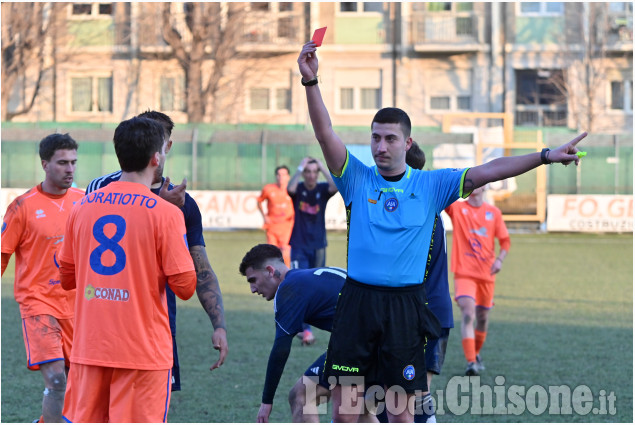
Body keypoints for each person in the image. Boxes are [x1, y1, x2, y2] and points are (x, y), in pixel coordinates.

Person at [297, 39, 587, 422]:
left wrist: (545, 156)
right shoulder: (356, 179)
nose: (381, 147)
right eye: (375, 138)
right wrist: (311, 82)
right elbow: (325, 133)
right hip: (358, 305)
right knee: (345, 413)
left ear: (408, 142)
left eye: (390, 138)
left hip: (405, 308)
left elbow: (491, 169)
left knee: (401, 413)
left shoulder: (432, 185)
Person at [58, 116, 197, 422]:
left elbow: (66, 278)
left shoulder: (81, 206)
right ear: (155, 158)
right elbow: (185, 288)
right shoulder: (166, 214)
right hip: (142, 355)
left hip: (89, 349)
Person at [85, 110, 228, 389]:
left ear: (167, 146)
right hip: (101, 325)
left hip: (155, 326)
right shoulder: (100, 189)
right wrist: (160, 209)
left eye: (159, 141)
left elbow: (201, 270)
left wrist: (219, 325)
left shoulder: (184, 204)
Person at [239, 244, 379, 424]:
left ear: (269, 271)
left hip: (359, 346)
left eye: (253, 280)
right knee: (360, 410)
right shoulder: (309, 276)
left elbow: (281, 349)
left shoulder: (288, 289)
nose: (252, 289)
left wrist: (266, 401)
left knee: (304, 396)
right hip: (386, 338)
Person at [1, 133, 84, 423]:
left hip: (77, 306)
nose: (70, 169)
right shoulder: (22, 206)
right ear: (45, 164)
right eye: (62, 163)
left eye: (73, 162)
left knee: (77, 381)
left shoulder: (85, 201)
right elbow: (2, 255)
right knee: (57, 380)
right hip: (38, 304)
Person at [405, 142, 451, 424]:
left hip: (421, 312)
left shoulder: (416, 210)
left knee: (416, 393)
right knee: (410, 393)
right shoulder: (428, 206)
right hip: (434, 310)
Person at [446, 184, 510, 376]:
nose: (475, 184)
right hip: (464, 273)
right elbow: (442, 196)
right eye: (472, 180)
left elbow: (505, 241)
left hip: (487, 274)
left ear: (486, 187)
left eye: (479, 181)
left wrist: (500, 260)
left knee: (482, 318)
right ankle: (471, 362)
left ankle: (476, 353)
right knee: (468, 313)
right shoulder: (458, 208)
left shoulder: (493, 213)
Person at [287, 157, 338, 346]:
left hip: (318, 246)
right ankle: (302, 329)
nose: (310, 175)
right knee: (298, 285)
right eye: (307, 172)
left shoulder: (323, 190)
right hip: (299, 245)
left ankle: (306, 328)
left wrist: (322, 166)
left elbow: (335, 186)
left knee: (314, 287)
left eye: (313, 172)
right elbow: (290, 188)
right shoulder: (298, 190)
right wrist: (300, 167)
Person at [257, 166, 294, 267]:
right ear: (276, 176)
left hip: (287, 227)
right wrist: (264, 216)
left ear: (288, 177)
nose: (281, 177)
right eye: (278, 175)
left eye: (283, 175)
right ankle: (274, 279)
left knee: (285, 253)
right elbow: (259, 201)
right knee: (272, 254)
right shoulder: (268, 189)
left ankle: (287, 276)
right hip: (272, 227)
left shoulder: (292, 189)